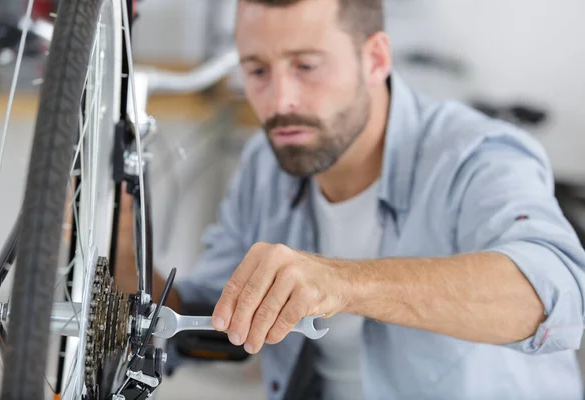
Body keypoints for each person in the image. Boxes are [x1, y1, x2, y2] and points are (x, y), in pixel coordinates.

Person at [117, 0, 585, 399]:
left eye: (306, 66)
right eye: (257, 70)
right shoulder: (267, 163)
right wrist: (115, 230)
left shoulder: (477, 155)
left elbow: (552, 296)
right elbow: (204, 323)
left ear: (376, 59)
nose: (280, 101)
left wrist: (343, 284)